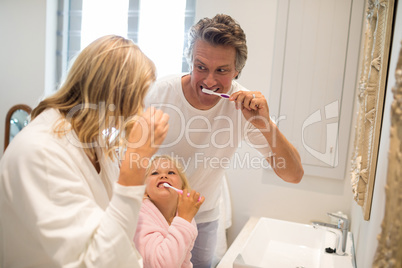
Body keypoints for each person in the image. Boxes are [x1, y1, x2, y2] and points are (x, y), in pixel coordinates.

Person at [144, 14, 304, 267]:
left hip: (202, 218)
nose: (209, 81)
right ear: (190, 62)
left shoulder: (244, 107)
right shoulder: (158, 94)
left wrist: (264, 123)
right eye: (201, 67)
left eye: (222, 71)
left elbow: (293, 174)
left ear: (237, 70)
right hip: (150, 214)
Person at [0, 35, 169, 267]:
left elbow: (112, 227)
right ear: (113, 96)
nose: (139, 110)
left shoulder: (93, 140)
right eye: (137, 99)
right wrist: (135, 164)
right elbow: (97, 261)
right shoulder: (40, 153)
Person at [134, 155, 205, 268]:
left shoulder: (185, 216)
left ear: (182, 186)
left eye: (171, 172)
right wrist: (183, 219)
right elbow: (162, 265)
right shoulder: (140, 218)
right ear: (144, 189)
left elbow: (184, 260)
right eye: (155, 173)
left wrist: (184, 218)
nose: (163, 175)